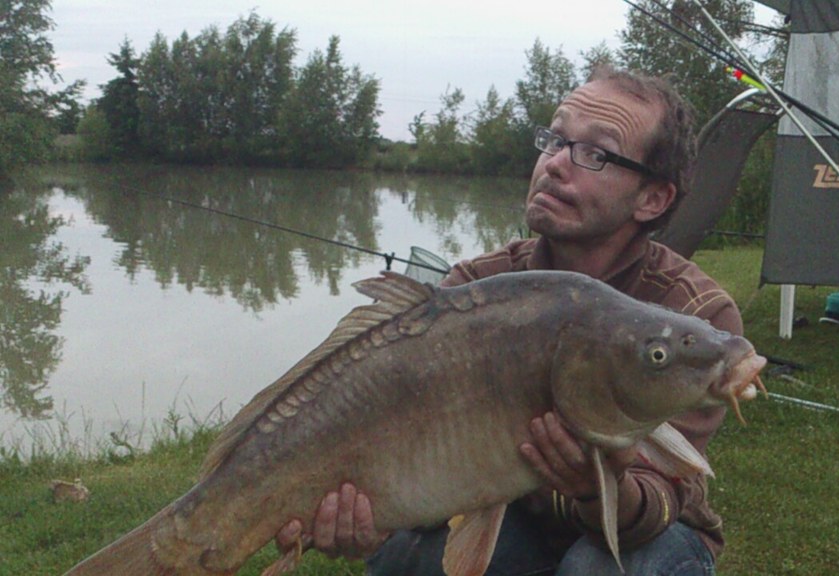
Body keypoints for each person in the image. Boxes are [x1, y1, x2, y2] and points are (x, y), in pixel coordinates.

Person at [276, 65, 743, 575]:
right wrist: (370, 515)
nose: (556, 165)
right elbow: (423, 470)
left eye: (594, 154)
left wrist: (596, 486)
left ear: (652, 198)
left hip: (644, 533)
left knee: (600, 567)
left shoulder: (695, 320)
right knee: (407, 558)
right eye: (555, 139)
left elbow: (655, 504)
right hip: (506, 510)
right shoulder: (477, 286)